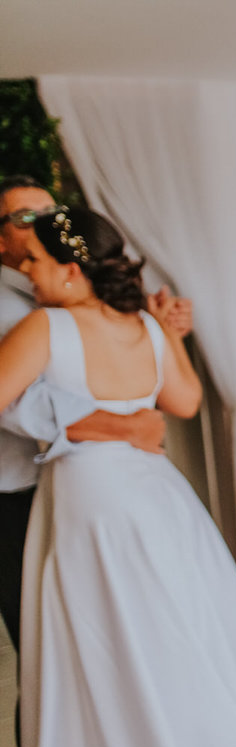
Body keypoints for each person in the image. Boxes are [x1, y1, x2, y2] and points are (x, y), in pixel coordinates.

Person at [0, 206, 236, 747]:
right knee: (167, 626)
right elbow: (183, 401)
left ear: (70, 270)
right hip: (157, 496)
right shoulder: (141, 323)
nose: (26, 273)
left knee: (103, 637)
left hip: (94, 502)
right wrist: (159, 344)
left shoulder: (46, 327)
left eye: (34, 260)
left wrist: (77, 425)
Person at [0, 176, 184, 657]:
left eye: (49, 211)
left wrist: (166, 331)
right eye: (26, 217)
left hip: (96, 484)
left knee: (122, 620)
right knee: (50, 637)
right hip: (14, 485)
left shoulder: (64, 308)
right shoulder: (36, 312)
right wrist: (119, 424)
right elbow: (19, 399)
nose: (42, 222)